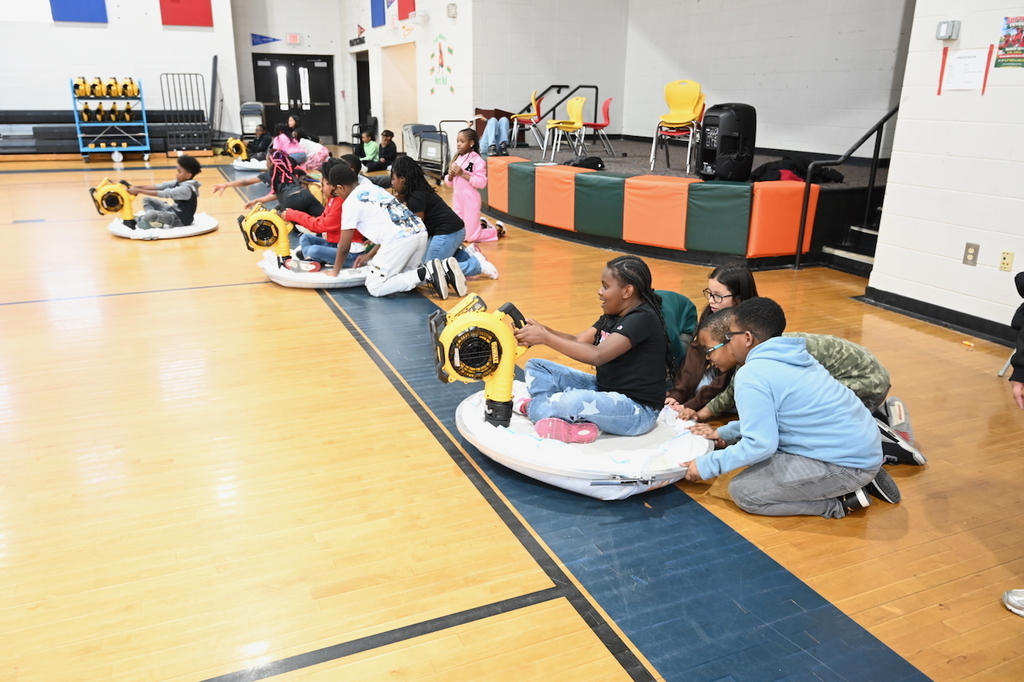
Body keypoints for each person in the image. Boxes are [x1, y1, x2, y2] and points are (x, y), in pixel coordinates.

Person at [684, 297, 901, 518]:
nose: (729, 342)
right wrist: (724, 432)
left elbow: (760, 444)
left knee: (743, 492)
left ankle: (840, 503)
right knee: (755, 461)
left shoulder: (752, 374)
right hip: (859, 444)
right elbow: (772, 419)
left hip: (846, 464)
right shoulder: (795, 355)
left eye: (730, 336)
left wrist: (707, 465)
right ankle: (857, 477)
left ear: (747, 338)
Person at [679, 308, 925, 466]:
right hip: (866, 379)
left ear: (738, 340)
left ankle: (885, 443)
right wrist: (702, 416)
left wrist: (712, 433)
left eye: (709, 351)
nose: (708, 359)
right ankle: (881, 416)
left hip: (864, 383)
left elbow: (765, 431)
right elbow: (733, 392)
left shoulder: (760, 363)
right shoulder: (766, 347)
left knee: (788, 433)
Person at [512, 255, 674, 444]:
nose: (599, 291)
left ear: (627, 291)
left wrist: (545, 338)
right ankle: (565, 420)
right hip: (604, 390)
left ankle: (533, 408)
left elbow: (598, 356)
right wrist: (541, 331)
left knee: (571, 401)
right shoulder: (612, 315)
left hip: (636, 410)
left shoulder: (643, 318)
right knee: (537, 367)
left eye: (605, 286)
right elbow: (578, 340)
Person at [325, 166, 459, 299]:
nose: (337, 195)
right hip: (418, 231)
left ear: (340, 187)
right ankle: (445, 269)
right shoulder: (372, 187)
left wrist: (335, 271)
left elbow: (344, 246)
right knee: (405, 276)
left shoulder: (350, 203)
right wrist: (369, 255)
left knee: (375, 286)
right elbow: (391, 228)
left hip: (400, 239)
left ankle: (427, 272)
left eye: (335, 192)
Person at [390, 156, 498, 283]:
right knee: (424, 263)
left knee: (429, 270)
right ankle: (467, 256)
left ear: (403, 179)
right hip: (446, 231)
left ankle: (477, 266)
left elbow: (417, 231)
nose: (392, 183)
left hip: (449, 232)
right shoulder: (414, 192)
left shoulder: (416, 197)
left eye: (393, 179)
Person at [666, 262, 758, 410]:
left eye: (718, 296)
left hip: (738, 379)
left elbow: (726, 378)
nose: (710, 301)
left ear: (739, 298)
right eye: (710, 293)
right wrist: (678, 394)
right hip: (719, 370)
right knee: (695, 385)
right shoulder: (712, 313)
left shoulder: (748, 327)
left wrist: (691, 406)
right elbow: (695, 355)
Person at [283, 159, 363, 272]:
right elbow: (321, 219)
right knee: (305, 238)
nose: (321, 188)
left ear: (333, 185)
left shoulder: (341, 202)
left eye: (323, 184)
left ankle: (312, 257)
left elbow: (320, 226)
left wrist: (293, 215)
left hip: (350, 254)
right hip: (334, 244)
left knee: (314, 250)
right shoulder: (333, 200)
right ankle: (312, 259)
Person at [210, 150, 323, 217]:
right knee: (323, 220)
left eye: (267, 161)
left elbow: (245, 182)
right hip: (306, 195)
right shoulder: (289, 171)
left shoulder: (271, 174)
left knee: (277, 217)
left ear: (272, 163)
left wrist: (226, 185)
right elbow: (279, 194)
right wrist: (256, 201)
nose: (265, 163)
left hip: (291, 201)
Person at [446, 128, 501, 243]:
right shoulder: (457, 159)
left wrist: (463, 174)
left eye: (462, 141)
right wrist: (450, 176)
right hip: (457, 199)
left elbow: (482, 183)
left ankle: (496, 231)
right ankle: (481, 224)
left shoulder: (478, 160)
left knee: (471, 237)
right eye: (457, 141)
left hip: (470, 200)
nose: (458, 144)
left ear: (471, 143)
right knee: (460, 234)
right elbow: (449, 183)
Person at [125, 154, 201, 230]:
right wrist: (137, 187)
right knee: (147, 200)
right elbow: (161, 186)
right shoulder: (180, 182)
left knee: (151, 214)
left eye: (179, 172)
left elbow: (164, 193)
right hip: (172, 210)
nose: (176, 174)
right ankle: (151, 220)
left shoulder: (186, 189)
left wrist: (139, 190)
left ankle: (144, 219)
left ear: (188, 176)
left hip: (181, 219)